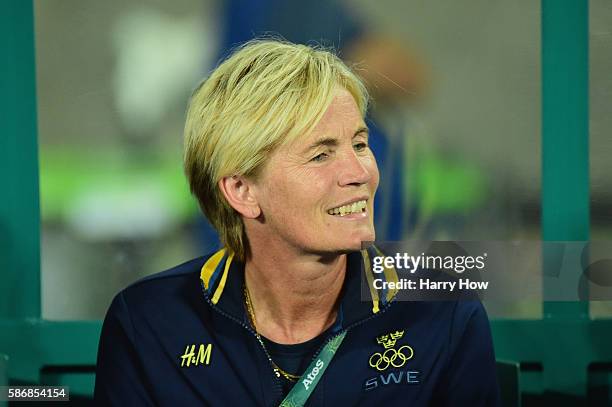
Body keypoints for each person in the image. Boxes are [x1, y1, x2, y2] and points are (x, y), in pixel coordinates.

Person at [94, 39, 500, 406]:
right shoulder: (149, 322)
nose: (359, 171)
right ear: (242, 191)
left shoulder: (443, 310)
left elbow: (561, 273)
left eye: (360, 143)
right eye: (321, 155)